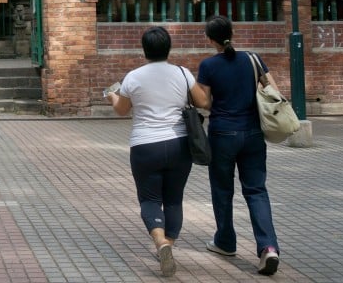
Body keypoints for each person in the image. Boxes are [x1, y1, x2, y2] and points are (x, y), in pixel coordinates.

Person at [106, 26, 210, 277]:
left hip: (145, 146)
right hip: (178, 144)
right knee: (173, 199)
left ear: (144, 50)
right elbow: (203, 103)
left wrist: (111, 95)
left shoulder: (133, 77)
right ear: (168, 48)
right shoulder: (182, 73)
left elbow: (122, 110)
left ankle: (160, 242)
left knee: (150, 199)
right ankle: (169, 245)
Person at [197, 15, 281, 276]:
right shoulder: (252, 59)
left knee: (222, 190)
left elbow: (203, 102)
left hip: (223, 134)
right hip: (254, 134)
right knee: (256, 190)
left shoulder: (208, 65)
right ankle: (268, 247)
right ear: (231, 33)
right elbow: (273, 91)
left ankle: (225, 241)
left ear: (210, 40)